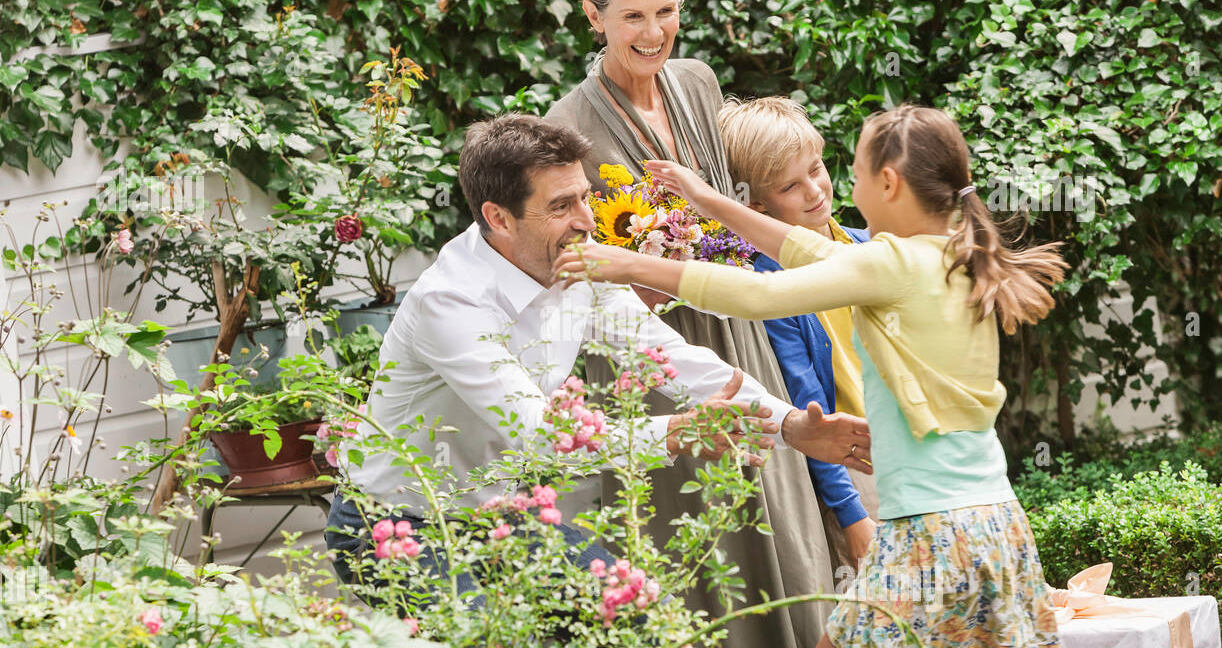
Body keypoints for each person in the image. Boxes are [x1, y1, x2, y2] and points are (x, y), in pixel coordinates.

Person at [553, 103, 1067, 648]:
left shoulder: (890, 262)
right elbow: (804, 252)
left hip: (930, 525)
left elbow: (763, 293)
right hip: (989, 513)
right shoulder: (947, 253)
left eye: (846, 172)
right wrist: (708, 201)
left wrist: (630, 263)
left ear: (888, 184)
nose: (838, 188)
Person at [326, 113, 871, 605]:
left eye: (584, 197)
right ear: (498, 217)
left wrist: (790, 425)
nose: (586, 220)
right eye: (561, 206)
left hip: (499, 513)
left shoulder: (576, 267)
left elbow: (671, 357)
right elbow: (542, 436)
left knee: (633, 620)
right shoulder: (451, 303)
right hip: (397, 522)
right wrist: (677, 432)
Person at [545, 0, 842, 648]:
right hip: (648, 350)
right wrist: (655, 269)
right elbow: (575, 274)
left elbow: (735, 208)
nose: (654, 33)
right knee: (698, 534)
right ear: (594, 17)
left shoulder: (701, 83)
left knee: (780, 508)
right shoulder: (568, 127)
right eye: (633, 16)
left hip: (738, 325)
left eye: (667, 11)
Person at [718, 96, 880, 577]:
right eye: (791, 185)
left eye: (816, 169)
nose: (815, 191)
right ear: (754, 203)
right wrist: (851, 515)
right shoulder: (772, 285)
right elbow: (810, 407)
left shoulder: (869, 245)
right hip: (857, 464)